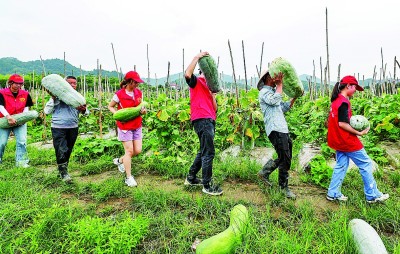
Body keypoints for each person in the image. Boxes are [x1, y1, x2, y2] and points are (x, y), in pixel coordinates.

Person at [326, 75, 389, 203]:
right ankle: (372, 195)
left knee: (341, 165)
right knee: (365, 163)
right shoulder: (344, 102)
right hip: (347, 141)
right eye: (354, 87)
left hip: (338, 140)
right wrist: (358, 133)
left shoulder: (336, 100)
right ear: (348, 86)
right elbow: (342, 124)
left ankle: (333, 193)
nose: (355, 90)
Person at [183, 51, 222, 196]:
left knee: (203, 150)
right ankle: (207, 185)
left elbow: (215, 109)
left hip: (209, 119)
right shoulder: (197, 82)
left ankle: (191, 178)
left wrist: (212, 95)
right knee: (208, 153)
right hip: (202, 119)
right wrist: (197, 57)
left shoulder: (210, 87)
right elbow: (187, 74)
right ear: (203, 71)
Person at [257, 70, 298, 199]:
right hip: (275, 129)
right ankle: (283, 187)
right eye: (273, 75)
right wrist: (280, 85)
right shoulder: (264, 92)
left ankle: (264, 172)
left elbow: (284, 107)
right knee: (284, 156)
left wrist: (294, 97)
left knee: (286, 155)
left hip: (281, 128)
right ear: (268, 78)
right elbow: (274, 101)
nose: (276, 77)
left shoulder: (274, 93)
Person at [44, 75, 88, 182]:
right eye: (70, 83)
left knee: (68, 149)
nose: (73, 85)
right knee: (61, 149)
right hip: (58, 127)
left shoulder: (78, 97)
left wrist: (83, 110)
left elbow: (86, 113)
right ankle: (64, 173)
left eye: (74, 83)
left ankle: (63, 169)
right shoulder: (56, 97)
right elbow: (47, 111)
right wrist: (53, 99)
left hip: (73, 127)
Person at [108, 71, 147, 187]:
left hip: (137, 125)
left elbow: (141, 108)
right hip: (125, 126)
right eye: (135, 82)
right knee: (129, 151)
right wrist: (117, 114)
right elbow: (110, 106)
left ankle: (120, 161)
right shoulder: (119, 94)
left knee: (138, 150)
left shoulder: (138, 93)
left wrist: (143, 111)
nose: (137, 85)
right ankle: (128, 177)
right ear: (130, 81)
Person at [0, 74, 34, 168]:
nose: (18, 86)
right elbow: (0, 106)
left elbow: (26, 107)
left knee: (22, 141)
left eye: (20, 84)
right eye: (16, 84)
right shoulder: (2, 93)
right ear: (10, 83)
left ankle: (21, 162)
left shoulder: (25, 94)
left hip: (20, 121)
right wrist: (8, 117)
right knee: (1, 142)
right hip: (4, 120)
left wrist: (24, 118)